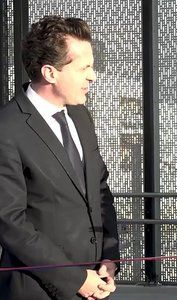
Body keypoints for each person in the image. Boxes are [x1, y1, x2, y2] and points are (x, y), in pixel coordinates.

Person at [0, 16, 120, 300]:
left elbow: (100, 189)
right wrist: (74, 279)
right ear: (50, 73)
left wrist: (109, 256)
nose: (93, 76)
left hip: (96, 283)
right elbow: (9, 221)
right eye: (84, 68)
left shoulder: (80, 117)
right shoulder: (7, 128)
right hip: (35, 289)